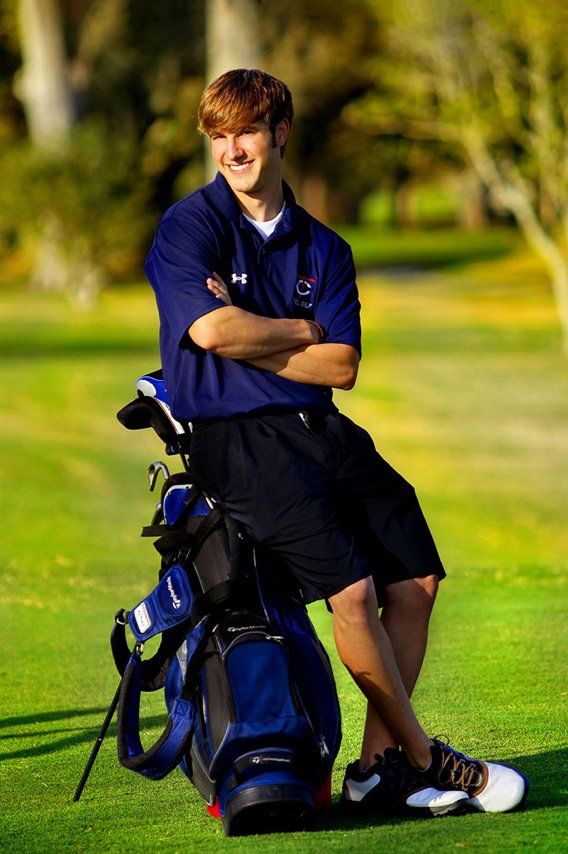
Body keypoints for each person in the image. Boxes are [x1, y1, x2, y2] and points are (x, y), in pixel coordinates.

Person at [145, 68, 527, 818]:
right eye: (218, 137)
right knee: (350, 592)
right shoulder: (190, 227)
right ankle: (428, 759)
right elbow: (209, 331)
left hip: (321, 430)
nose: (232, 150)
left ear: (280, 132)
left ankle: (375, 769)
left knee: (415, 581)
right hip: (236, 441)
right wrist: (299, 330)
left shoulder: (325, 246)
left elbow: (342, 367)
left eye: (246, 132)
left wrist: (255, 333)